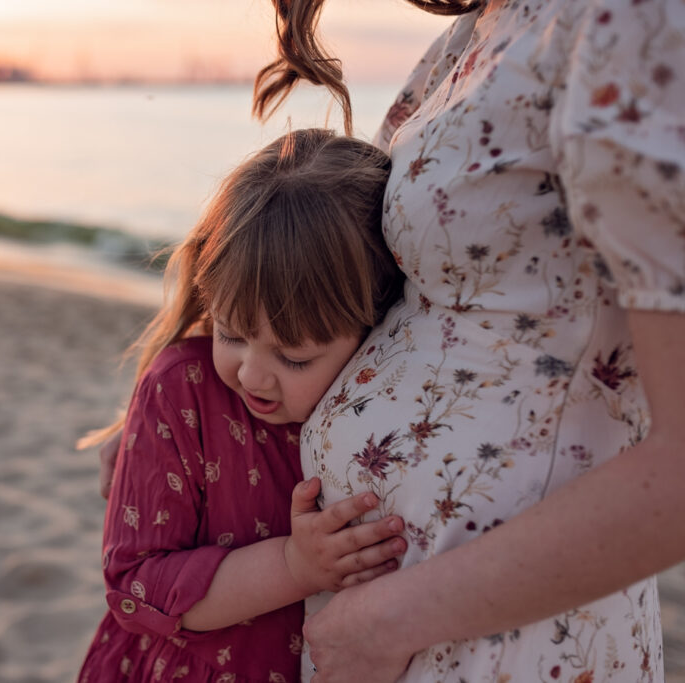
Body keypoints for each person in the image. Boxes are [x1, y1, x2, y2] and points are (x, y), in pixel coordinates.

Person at [246, 0, 685, 681]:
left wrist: (390, 619)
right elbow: (345, 282)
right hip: (399, 625)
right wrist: (178, 398)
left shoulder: (627, 18)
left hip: (506, 641)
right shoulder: (477, 29)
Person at [78, 128, 408, 682]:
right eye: (230, 332)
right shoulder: (181, 391)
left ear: (374, 331)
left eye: (294, 357)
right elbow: (134, 584)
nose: (250, 374)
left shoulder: (376, 388)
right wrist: (294, 567)